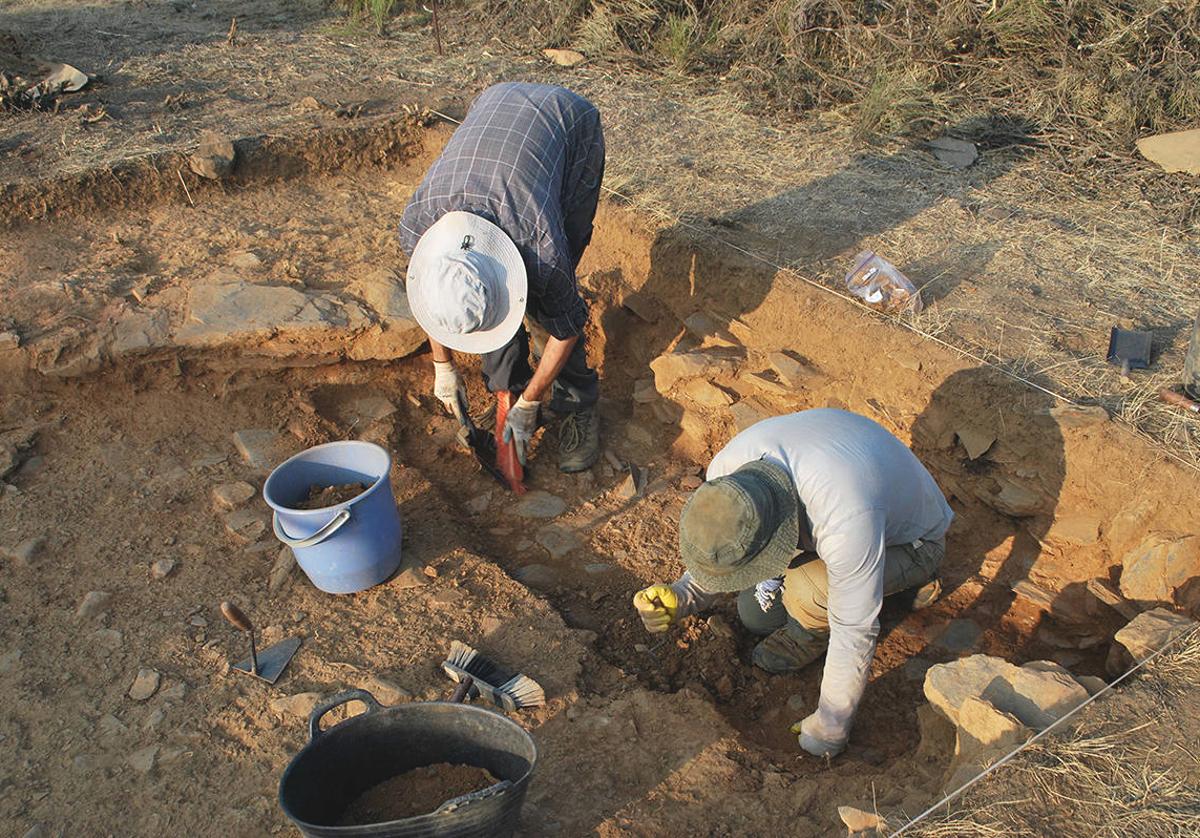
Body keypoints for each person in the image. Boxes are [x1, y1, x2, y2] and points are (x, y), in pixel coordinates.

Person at [632, 409, 953, 757]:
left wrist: (831, 726)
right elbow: (727, 543)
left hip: (914, 540)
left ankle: (880, 593)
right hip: (854, 500)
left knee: (807, 594)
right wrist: (685, 593)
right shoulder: (727, 474)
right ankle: (874, 584)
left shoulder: (845, 516)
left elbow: (854, 630)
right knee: (755, 616)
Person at [399, 82, 605, 472]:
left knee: (549, 305)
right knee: (486, 310)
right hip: (496, 107)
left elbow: (568, 327)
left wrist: (532, 402)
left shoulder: (541, 244)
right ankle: (506, 391)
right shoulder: (418, 225)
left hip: (568, 125)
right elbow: (435, 297)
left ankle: (577, 402)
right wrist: (443, 366)